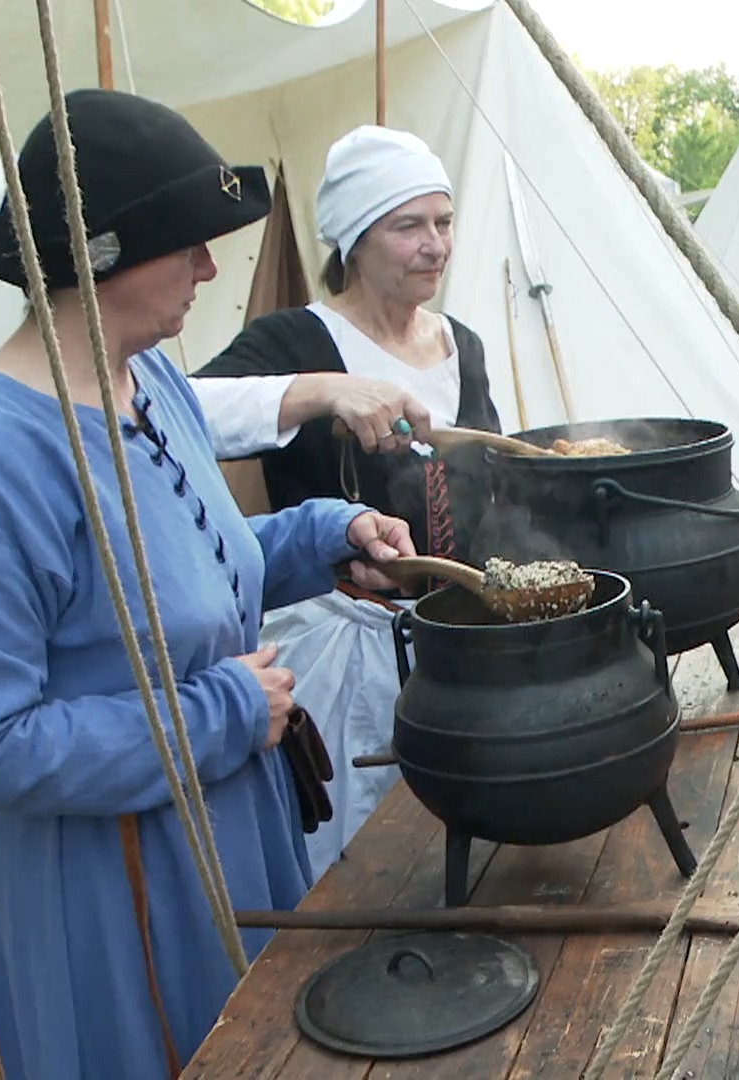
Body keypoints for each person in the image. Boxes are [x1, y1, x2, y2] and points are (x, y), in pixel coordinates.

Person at [0, 89, 416, 1080]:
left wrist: (324, 536)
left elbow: (181, 581)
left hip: (229, 827)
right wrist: (223, 710)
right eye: (188, 242)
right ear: (101, 256)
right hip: (111, 888)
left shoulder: (155, 380)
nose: (211, 266)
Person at [187, 124, 504, 879]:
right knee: (354, 855)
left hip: (453, 638)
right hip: (339, 644)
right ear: (356, 240)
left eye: (443, 222)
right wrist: (323, 392)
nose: (435, 245)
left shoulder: (462, 343)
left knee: (455, 844)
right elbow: (176, 407)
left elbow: (487, 487)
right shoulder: (296, 339)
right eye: (408, 226)